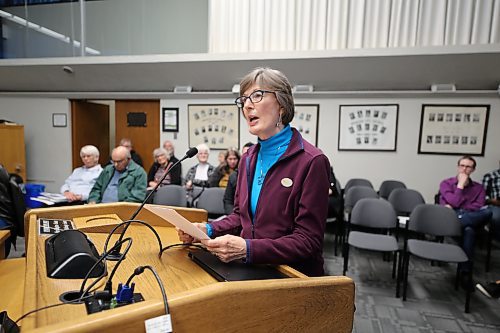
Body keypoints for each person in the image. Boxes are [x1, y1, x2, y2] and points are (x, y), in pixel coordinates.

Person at [178, 67, 331, 276]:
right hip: (252, 269)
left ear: (282, 105)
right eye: (243, 100)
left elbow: (308, 241)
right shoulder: (248, 158)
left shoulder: (312, 162)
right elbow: (242, 216)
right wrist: (208, 230)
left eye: (257, 96)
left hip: (292, 276)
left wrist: (248, 249)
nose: (247, 105)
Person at [439, 155, 492, 276]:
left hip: (469, 216)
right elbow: (454, 202)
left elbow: (478, 206)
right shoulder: (446, 183)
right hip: (452, 215)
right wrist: (460, 186)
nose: (464, 169)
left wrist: (460, 208)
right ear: (458, 167)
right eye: (462, 166)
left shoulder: (479, 188)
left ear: (473, 170)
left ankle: (457, 223)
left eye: (468, 167)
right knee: (469, 230)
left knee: (488, 211)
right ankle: (465, 272)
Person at [223, 142, 254, 214]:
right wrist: (233, 217)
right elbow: (228, 201)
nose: (247, 157)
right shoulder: (234, 176)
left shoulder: (262, 174)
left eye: (250, 154)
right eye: (244, 154)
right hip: (236, 216)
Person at [482, 163, 500, 241]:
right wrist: (492, 201)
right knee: (496, 218)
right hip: (496, 204)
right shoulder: (490, 176)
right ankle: (497, 239)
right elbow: (482, 195)